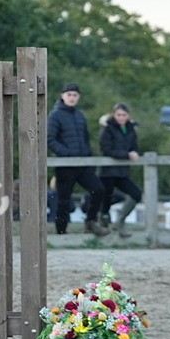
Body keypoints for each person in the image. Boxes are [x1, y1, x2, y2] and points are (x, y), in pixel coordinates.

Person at [47, 82, 109, 236]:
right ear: (62, 96)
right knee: (63, 199)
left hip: (82, 164)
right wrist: (66, 154)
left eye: (75, 95)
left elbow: (86, 138)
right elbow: (50, 139)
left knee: (98, 189)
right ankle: (61, 232)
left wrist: (87, 154)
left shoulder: (80, 115)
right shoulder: (55, 115)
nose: (72, 98)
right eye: (69, 95)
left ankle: (90, 222)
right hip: (65, 165)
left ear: (78, 97)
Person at [98, 102, 142, 238]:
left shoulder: (131, 129)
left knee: (136, 194)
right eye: (118, 115)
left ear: (128, 115)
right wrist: (126, 154)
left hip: (122, 172)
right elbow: (106, 149)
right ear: (114, 115)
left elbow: (134, 146)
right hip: (108, 172)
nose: (121, 117)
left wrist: (133, 152)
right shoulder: (107, 129)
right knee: (106, 201)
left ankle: (120, 221)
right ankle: (103, 226)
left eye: (123, 115)